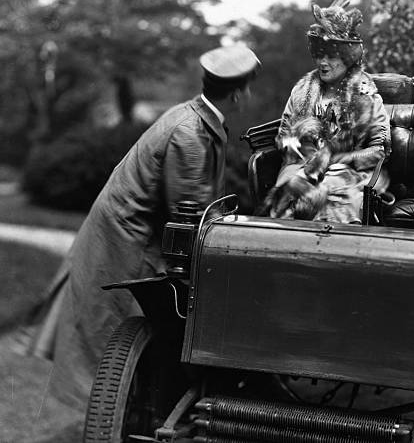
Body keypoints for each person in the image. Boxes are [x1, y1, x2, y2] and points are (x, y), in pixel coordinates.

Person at [28, 45, 261, 410]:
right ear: (238, 92)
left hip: (132, 228)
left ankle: (128, 404)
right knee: (116, 324)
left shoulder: (194, 116)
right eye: (248, 88)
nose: (249, 94)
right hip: (126, 236)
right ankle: (120, 411)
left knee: (123, 326)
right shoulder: (190, 134)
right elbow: (190, 217)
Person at [262, 0, 391, 223]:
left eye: (331, 56)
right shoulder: (301, 92)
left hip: (351, 174)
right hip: (301, 168)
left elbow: (380, 151)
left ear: (347, 58)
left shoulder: (366, 96)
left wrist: (335, 160)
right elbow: (282, 138)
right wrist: (302, 147)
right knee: (287, 200)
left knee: (334, 203)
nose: (323, 62)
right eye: (320, 55)